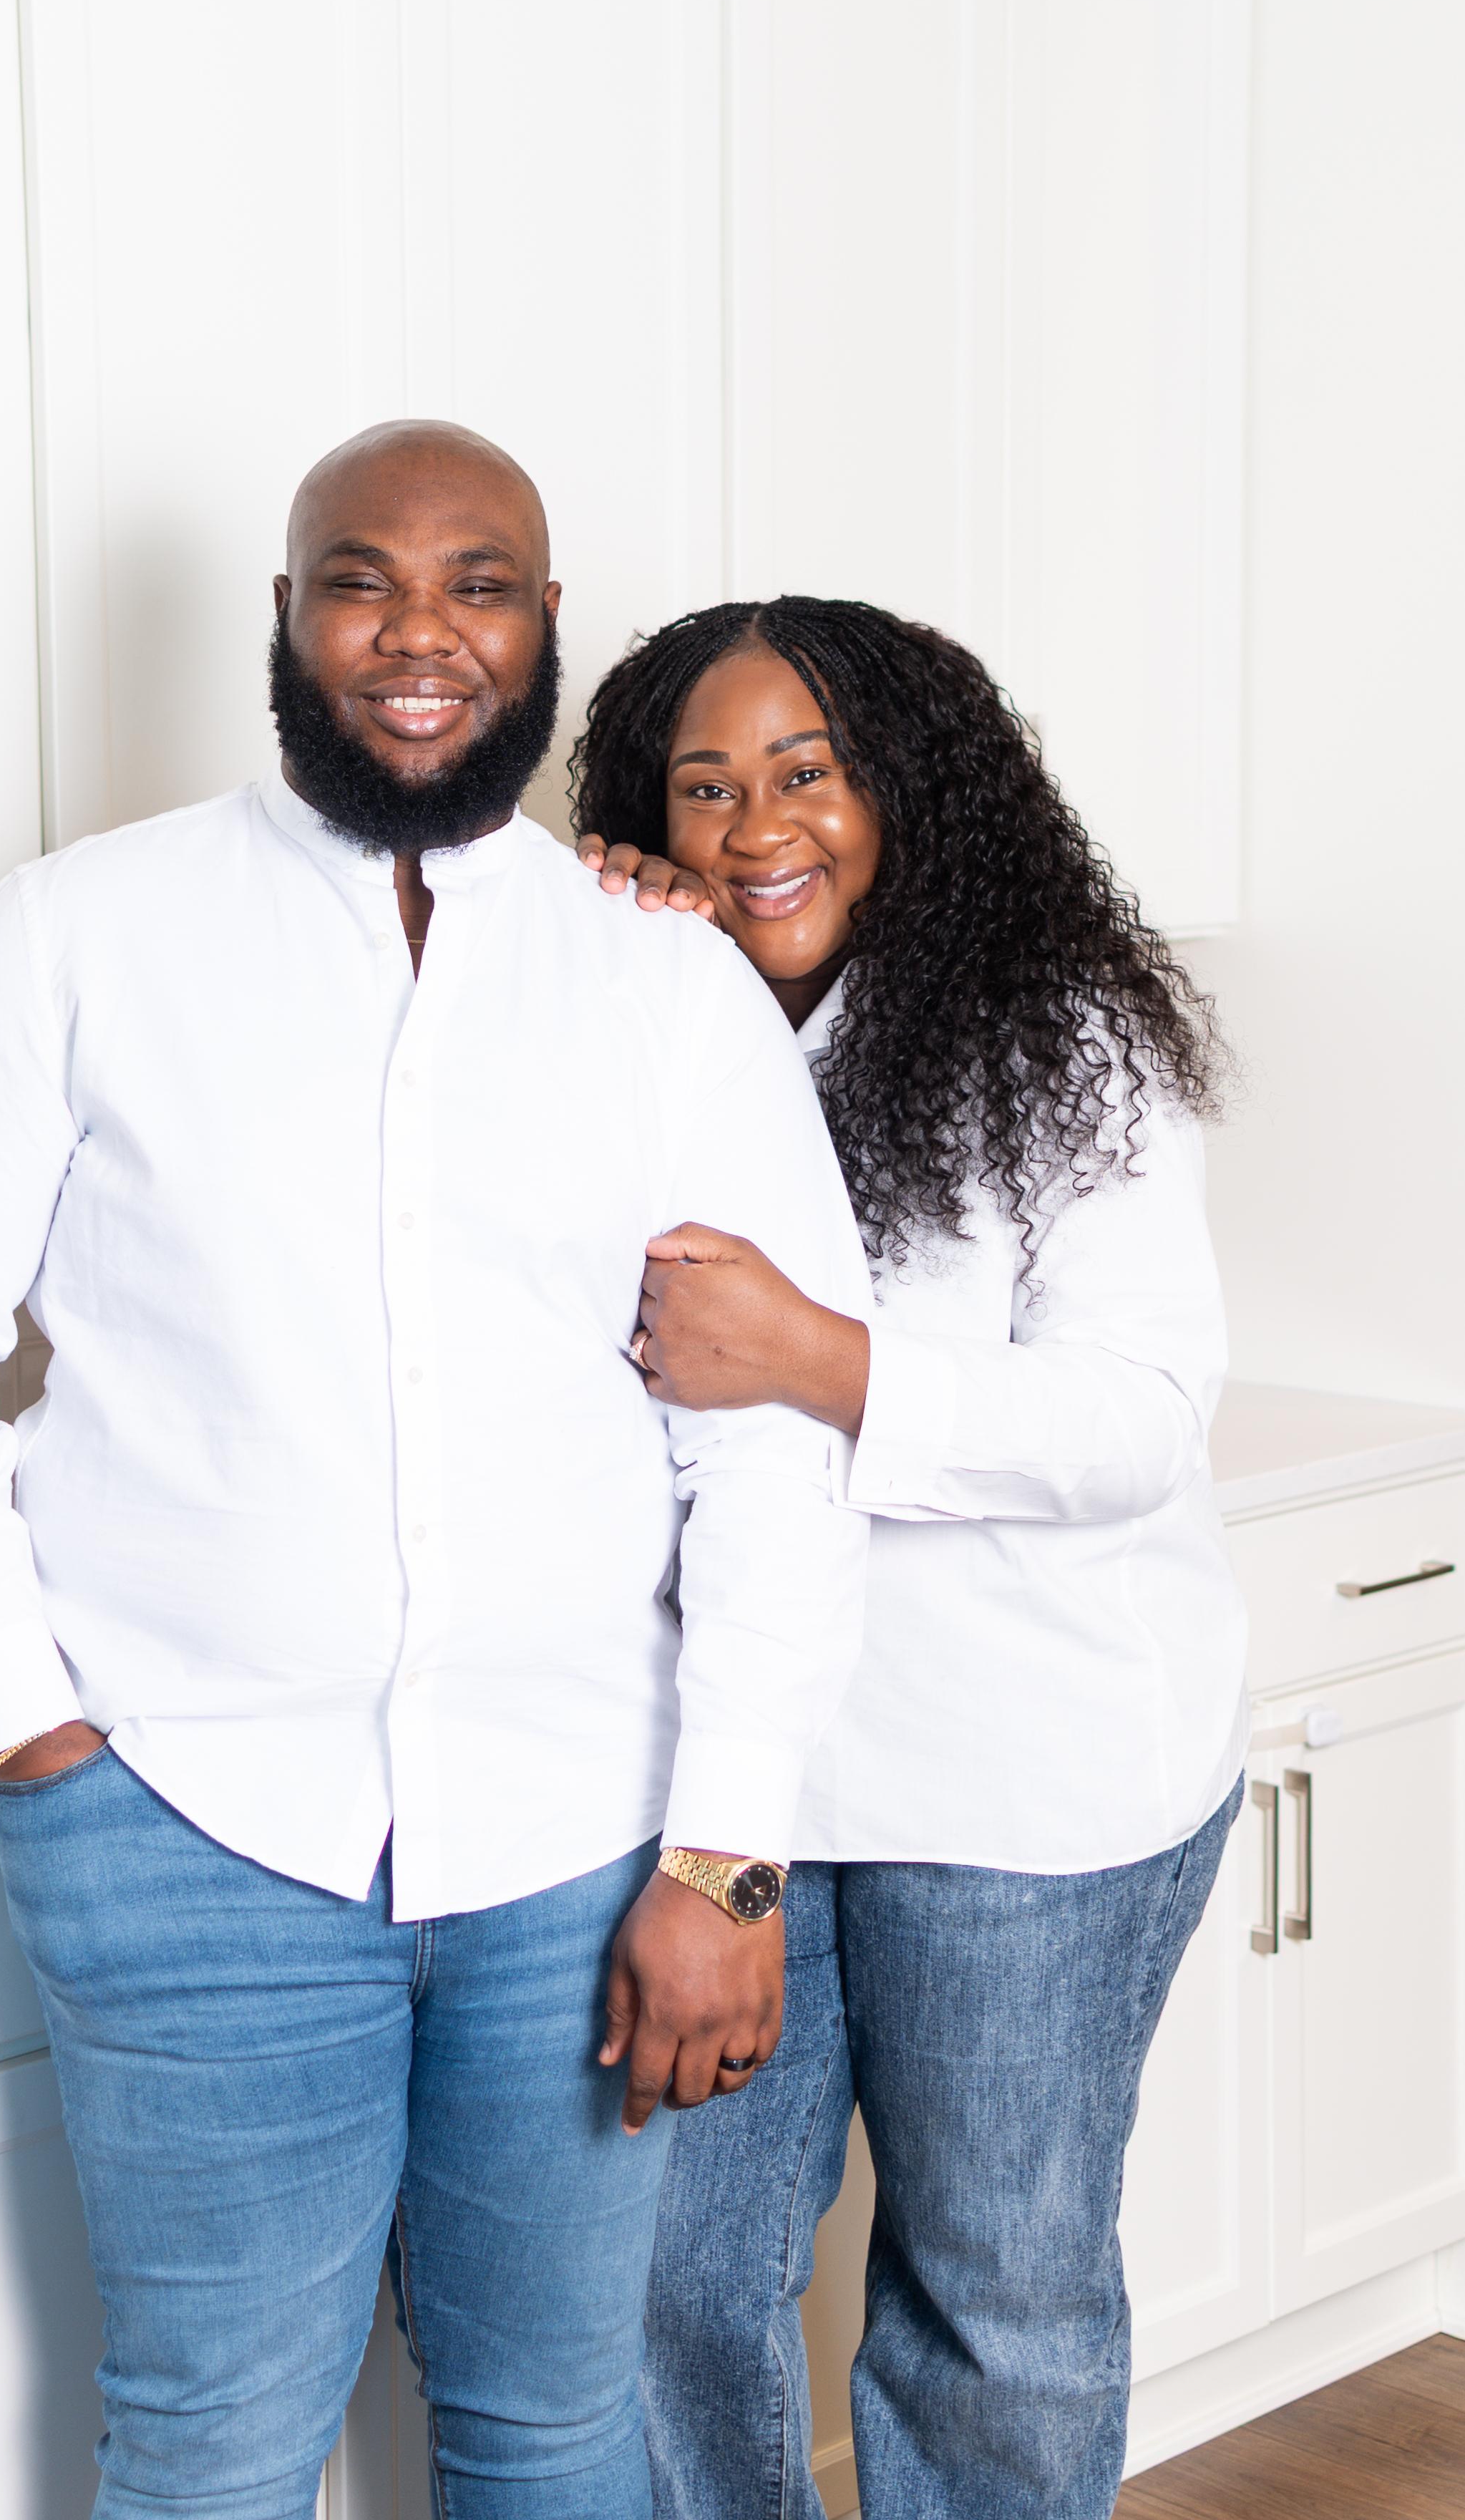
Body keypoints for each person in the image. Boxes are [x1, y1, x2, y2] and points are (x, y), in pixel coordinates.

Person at [0, 434, 872, 2520]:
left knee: (556, 2424)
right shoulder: (76, 936)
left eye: (478, 584)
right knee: (209, 2445)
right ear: (286, 620)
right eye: (361, 582)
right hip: (187, 1828)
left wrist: (727, 1857)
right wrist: (32, 1735)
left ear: (544, 626)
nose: (418, 634)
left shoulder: (657, 976)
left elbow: (760, 1447)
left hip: (586, 1842)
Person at [573, 595, 1249, 2520]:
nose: (757, 826)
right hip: (732, 1789)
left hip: (1027, 1786)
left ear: (910, 793)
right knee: (667, 2279)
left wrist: (819, 1358)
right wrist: (579, 932)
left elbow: (1136, 1418)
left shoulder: (1064, 1043)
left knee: (993, 2299)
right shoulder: (628, 1024)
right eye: (703, 787)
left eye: (809, 772)